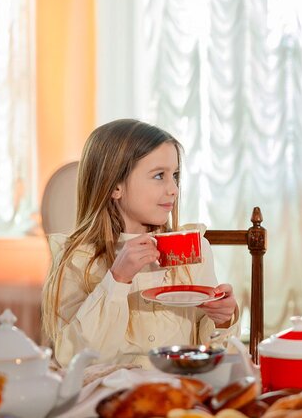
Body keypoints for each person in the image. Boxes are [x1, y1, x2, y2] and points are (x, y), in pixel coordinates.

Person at [41, 119, 239, 367]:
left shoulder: (193, 248)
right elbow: (75, 359)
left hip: (177, 385)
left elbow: (211, 354)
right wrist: (117, 279)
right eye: (159, 176)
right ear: (115, 186)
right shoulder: (76, 259)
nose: (174, 189)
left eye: (175, 176)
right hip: (109, 388)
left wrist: (222, 319)